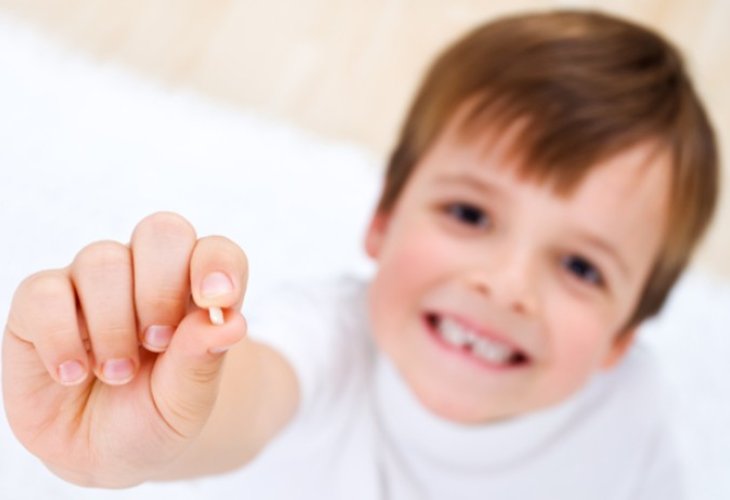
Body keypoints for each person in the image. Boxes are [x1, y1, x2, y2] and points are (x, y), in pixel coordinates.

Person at [2, 9, 718, 500]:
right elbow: (237, 398)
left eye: (582, 268)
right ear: (383, 219)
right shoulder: (321, 343)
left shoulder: (631, 411)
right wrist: (154, 426)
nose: (506, 286)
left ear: (623, 336)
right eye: (469, 214)